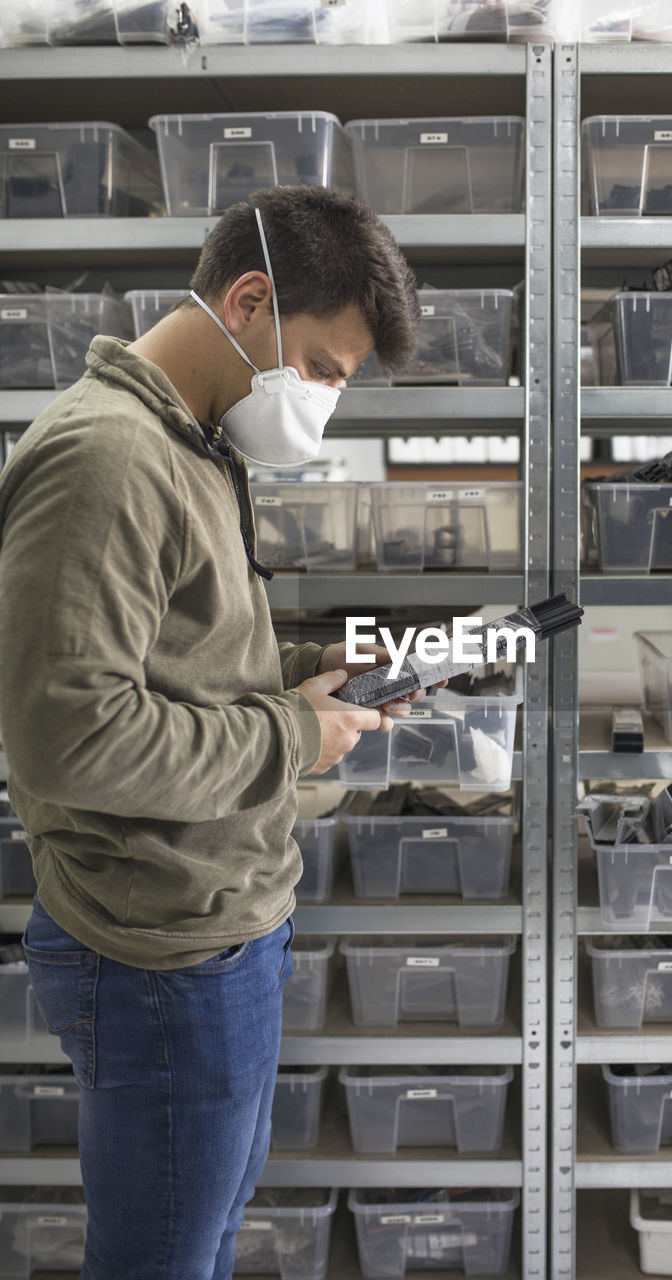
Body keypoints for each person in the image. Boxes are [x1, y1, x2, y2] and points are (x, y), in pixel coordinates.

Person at [0, 184, 420, 1279]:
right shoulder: (107, 458)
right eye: (325, 369)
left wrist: (309, 680)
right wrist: (293, 735)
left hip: (223, 923)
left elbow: (178, 666)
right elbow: (68, 738)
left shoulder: (193, 445)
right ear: (249, 300)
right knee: (161, 1260)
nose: (324, 401)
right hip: (158, 952)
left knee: (205, 1236)